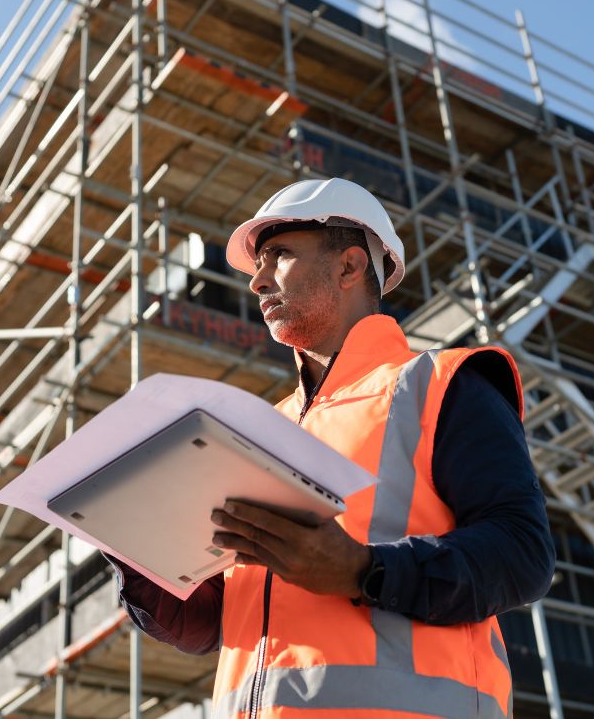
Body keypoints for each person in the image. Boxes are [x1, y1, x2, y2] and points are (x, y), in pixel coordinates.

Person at [106, 177, 554, 718]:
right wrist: (136, 555)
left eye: (278, 256)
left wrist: (364, 571)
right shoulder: (258, 429)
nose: (257, 282)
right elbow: (210, 627)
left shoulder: (440, 384)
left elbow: (523, 555)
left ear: (348, 267)